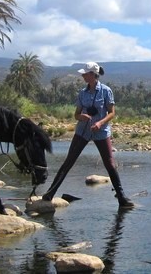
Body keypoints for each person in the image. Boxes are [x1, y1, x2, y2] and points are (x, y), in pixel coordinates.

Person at [42, 61, 134, 208]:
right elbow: (76, 114)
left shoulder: (106, 91)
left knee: (110, 164)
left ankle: (122, 198)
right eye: (83, 74)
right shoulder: (82, 93)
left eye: (85, 73)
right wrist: (82, 117)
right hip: (82, 132)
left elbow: (112, 113)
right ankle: (50, 193)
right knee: (69, 161)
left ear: (93, 74)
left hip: (101, 132)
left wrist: (100, 123)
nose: (83, 76)